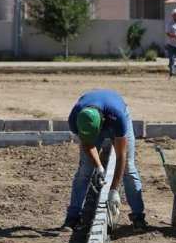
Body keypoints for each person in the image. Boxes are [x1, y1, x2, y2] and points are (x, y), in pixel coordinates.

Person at [62, 89, 147, 232]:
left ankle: (138, 217)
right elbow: (87, 143)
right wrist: (99, 166)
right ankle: (73, 217)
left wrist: (113, 190)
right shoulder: (75, 119)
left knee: (129, 168)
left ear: (102, 122)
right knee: (84, 170)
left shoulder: (117, 117)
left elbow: (121, 156)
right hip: (94, 121)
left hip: (116, 116)